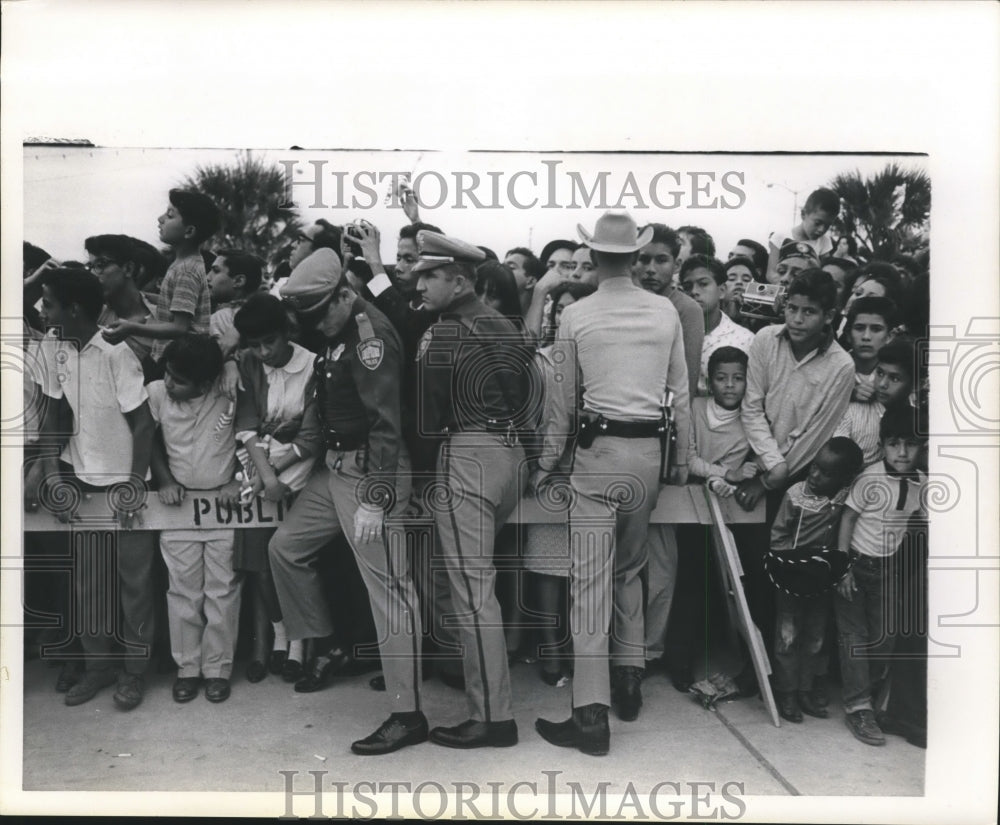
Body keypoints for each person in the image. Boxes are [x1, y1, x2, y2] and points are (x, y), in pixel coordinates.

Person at [535, 211, 690, 756]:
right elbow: (681, 392)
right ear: (634, 257)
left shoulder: (576, 316)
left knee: (589, 585)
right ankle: (629, 677)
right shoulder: (664, 309)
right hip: (647, 455)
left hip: (596, 457)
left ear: (595, 257)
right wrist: (682, 458)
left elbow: (561, 399)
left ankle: (590, 713)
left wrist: (548, 460)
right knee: (631, 569)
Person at [268, 248, 425, 755]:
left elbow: (386, 423)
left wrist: (378, 498)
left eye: (320, 314)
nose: (315, 326)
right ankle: (328, 641)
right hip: (335, 467)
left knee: (392, 595)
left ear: (343, 294)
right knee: (285, 548)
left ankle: (407, 713)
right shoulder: (338, 331)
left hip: (369, 473)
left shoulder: (368, 336)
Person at [411, 230, 535, 750]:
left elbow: (426, 416)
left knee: (472, 595)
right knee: (479, 587)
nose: (420, 282)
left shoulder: (442, 333)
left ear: (459, 279)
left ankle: (493, 717)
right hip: (511, 457)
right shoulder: (503, 323)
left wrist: (421, 482)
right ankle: (491, 704)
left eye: (429, 275)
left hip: (467, 457)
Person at [24, 268, 156, 711]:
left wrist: (135, 485)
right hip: (79, 481)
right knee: (89, 585)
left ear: (73, 309)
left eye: (48, 303)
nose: (42, 310)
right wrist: (53, 474)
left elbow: (143, 424)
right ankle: (98, 666)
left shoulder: (117, 353)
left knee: (133, 586)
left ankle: (134, 673)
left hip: (125, 486)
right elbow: (54, 416)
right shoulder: (54, 349)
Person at [734, 268, 855, 691]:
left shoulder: (842, 364)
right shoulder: (766, 339)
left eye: (810, 312)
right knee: (749, 574)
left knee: (784, 581)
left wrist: (774, 480)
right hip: (760, 464)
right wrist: (770, 465)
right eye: (793, 308)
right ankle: (752, 666)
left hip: (800, 481)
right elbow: (752, 408)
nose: (798, 319)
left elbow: (817, 434)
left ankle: (782, 680)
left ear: (829, 316)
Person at [147, 335, 243, 703]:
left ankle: (217, 669)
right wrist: (165, 480)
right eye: (168, 374)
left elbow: (251, 432)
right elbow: (150, 440)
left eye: (179, 380)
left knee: (222, 589)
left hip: (223, 504)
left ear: (204, 383)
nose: (170, 383)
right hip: (178, 506)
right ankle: (187, 667)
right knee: (183, 591)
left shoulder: (225, 390)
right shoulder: (157, 393)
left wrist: (238, 479)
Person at [232, 293, 323, 683]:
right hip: (260, 469)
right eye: (255, 344)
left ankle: (302, 645)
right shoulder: (248, 363)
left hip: (300, 470)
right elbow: (248, 424)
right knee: (261, 563)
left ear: (287, 332)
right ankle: (280, 636)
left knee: (292, 561)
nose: (263, 351)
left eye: (270, 341)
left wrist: (272, 476)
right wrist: (265, 477)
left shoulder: (314, 366)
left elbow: (311, 437)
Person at [666, 347, 757, 691]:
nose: (730, 386)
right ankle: (679, 661)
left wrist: (731, 477)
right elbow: (687, 459)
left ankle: (736, 657)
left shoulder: (753, 418)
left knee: (732, 584)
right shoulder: (696, 408)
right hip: (691, 504)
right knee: (691, 580)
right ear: (709, 380)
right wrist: (724, 472)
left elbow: (755, 462)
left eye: (737, 378)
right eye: (721, 378)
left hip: (730, 509)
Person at [835, 407, 926, 746]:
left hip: (888, 570)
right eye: (893, 444)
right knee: (853, 637)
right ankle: (859, 709)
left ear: (923, 447)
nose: (902, 453)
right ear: (882, 444)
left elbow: (923, 518)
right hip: (855, 566)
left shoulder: (921, 483)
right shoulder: (870, 478)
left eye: (911, 445)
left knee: (884, 636)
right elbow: (846, 520)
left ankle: (869, 698)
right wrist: (842, 568)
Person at [523, 280, 597, 687]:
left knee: (589, 569)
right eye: (557, 308)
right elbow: (537, 419)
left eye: (572, 308)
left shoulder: (603, 358)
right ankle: (551, 649)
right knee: (547, 563)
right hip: (549, 473)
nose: (562, 316)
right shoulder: (541, 360)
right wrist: (542, 465)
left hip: (593, 470)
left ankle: (583, 653)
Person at [765, 437, 864, 723]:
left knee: (816, 638)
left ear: (845, 478)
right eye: (815, 467)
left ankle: (806, 690)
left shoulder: (845, 495)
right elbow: (778, 536)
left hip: (822, 582)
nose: (816, 475)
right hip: (793, 580)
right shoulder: (796, 495)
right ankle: (787, 692)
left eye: (826, 472)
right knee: (788, 636)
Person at [103, 189, 220, 372]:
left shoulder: (186, 271)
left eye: (170, 215)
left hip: (179, 360)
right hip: (171, 353)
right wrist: (143, 296)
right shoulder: (183, 263)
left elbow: (180, 327)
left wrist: (131, 327)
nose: (160, 218)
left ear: (189, 231)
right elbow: (175, 303)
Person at [85, 234, 160, 380]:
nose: (94, 274)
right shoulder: (93, 316)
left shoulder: (162, 319)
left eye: (101, 265)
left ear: (128, 269)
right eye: (91, 267)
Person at [679, 254, 754, 394]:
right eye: (687, 286)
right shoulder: (673, 333)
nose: (694, 292)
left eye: (703, 284)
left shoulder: (745, 340)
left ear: (722, 291)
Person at [836, 339, 916, 467]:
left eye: (894, 378)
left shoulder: (918, 423)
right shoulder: (853, 411)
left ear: (915, 386)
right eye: (880, 373)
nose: (883, 384)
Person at [766, 187, 840, 278]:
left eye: (827, 225)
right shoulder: (780, 237)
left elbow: (825, 275)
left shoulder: (824, 241)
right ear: (803, 214)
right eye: (817, 223)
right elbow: (771, 274)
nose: (821, 230)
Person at [207, 249, 265, 359]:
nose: (208, 277)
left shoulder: (219, 318)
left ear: (238, 281)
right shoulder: (265, 313)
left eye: (216, 271)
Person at [503, 246, 545, 316]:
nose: (501, 270)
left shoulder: (544, 321)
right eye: (502, 266)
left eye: (510, 267)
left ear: (530, 282)